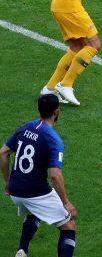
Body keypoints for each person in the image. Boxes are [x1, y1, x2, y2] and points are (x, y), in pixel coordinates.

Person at [1, 95, 77, 257]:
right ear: (56, 111)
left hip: (15, 190)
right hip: (34, 193)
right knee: (69, 225)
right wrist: (66, 202)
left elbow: (3, 153)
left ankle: (22, 251)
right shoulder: (54, 140)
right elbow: (55, 175)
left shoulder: (26, 127)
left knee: (34, 212)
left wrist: (7, 181)